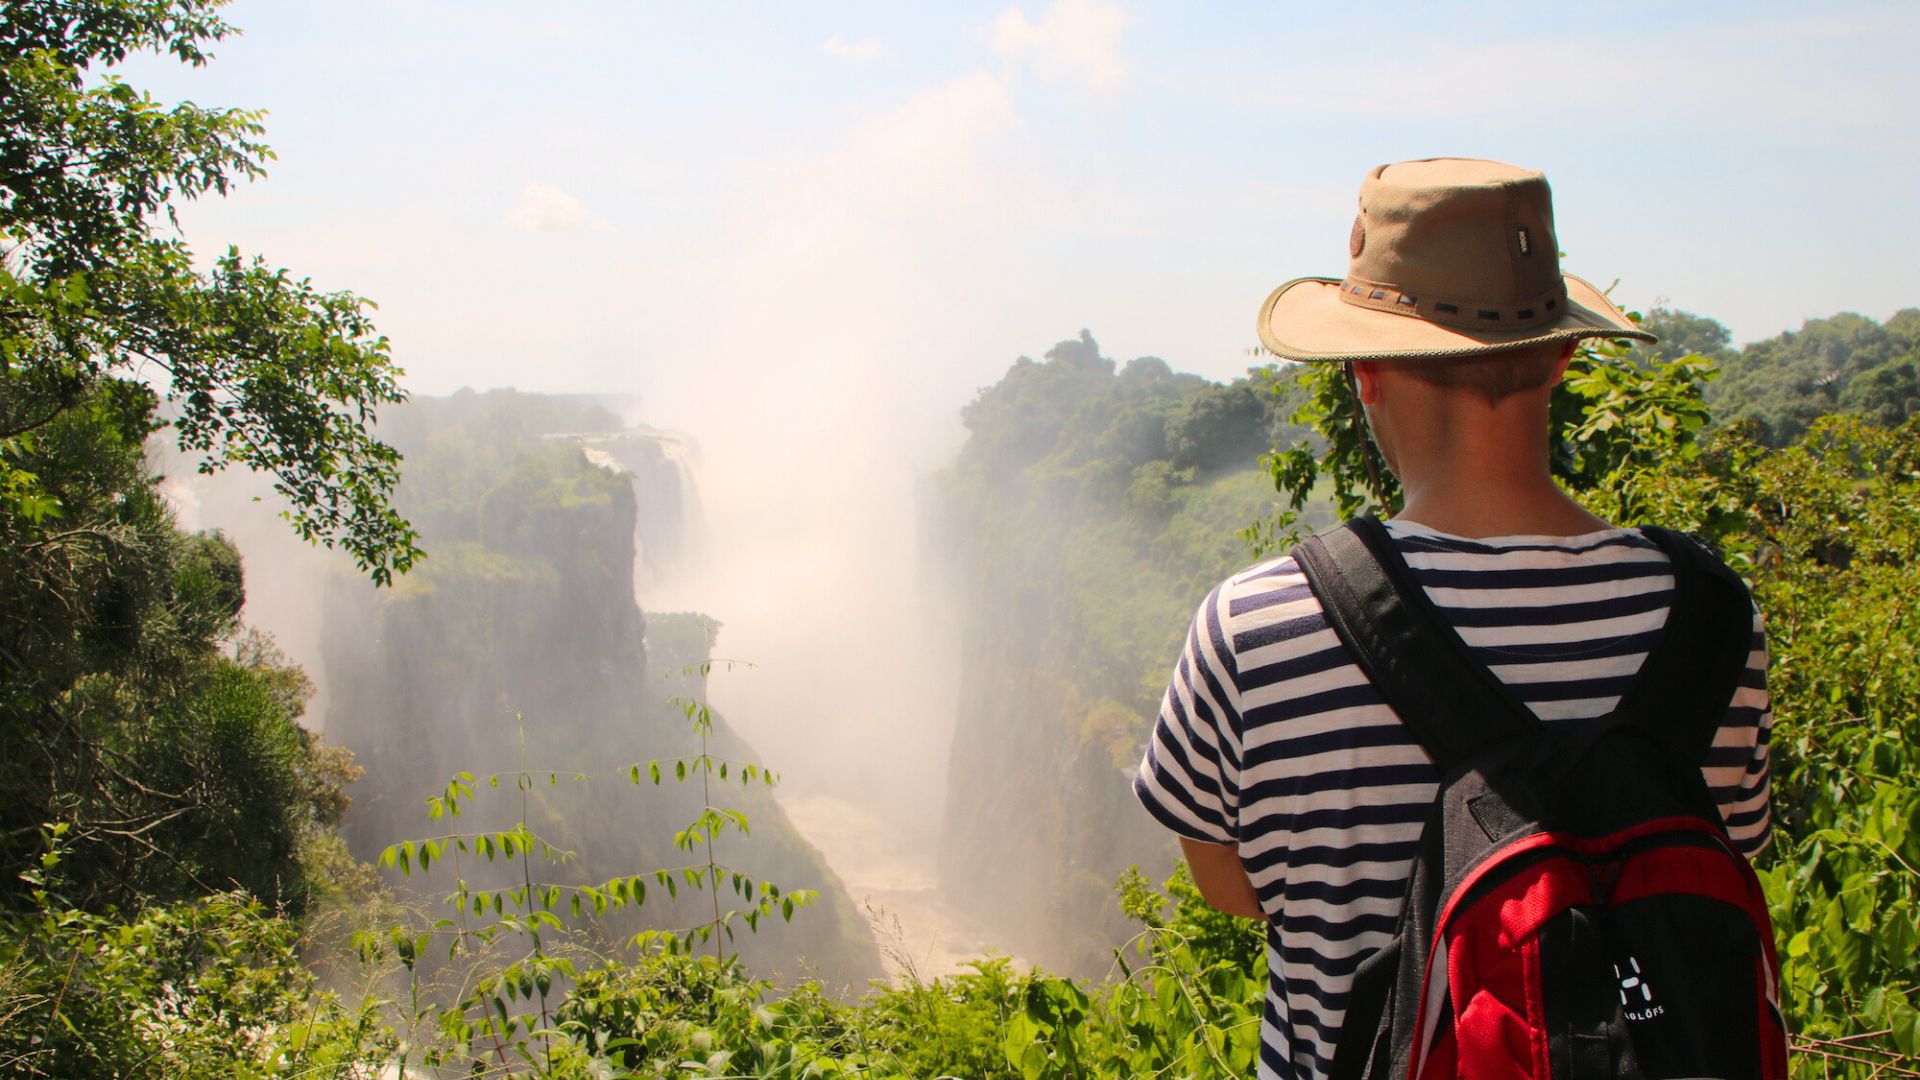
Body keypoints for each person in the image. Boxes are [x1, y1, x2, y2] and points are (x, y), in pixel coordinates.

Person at [1131, 158, 1773, 1080]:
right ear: (1564, 352)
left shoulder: (1257, 623)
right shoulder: (1714, 617)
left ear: (1363, 371)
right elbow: (1723, 853)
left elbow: (1234, 888)